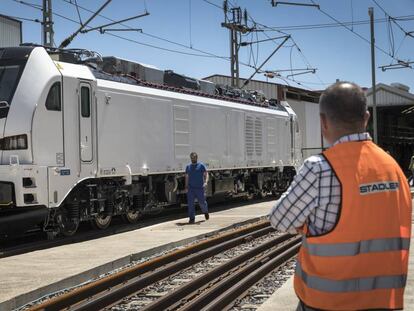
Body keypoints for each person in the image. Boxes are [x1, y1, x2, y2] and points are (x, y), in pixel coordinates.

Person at [269, 81, 412, 311]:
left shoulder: (319, 168)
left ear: (323, 122)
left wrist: (307, 224)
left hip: (326, 302)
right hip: (383, 301)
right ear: (366, 118)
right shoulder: (393, 168)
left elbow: (279, 219)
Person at [185, 152, 209, 224]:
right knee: (190, 204)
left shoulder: (201, 166)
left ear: (197, 158)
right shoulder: (188, 167)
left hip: (199, 188)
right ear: (190, 158)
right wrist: (186, 187)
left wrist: (206, 182)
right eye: (192, 157)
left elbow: (206, 174)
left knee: (202, 203)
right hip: (191, 188)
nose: (193, 159)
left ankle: (205, 212)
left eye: (194, 157)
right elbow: (187, 177)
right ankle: (192, 218)